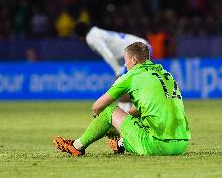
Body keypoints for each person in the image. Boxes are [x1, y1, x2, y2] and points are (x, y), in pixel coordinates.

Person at [54, 42, 191, 156]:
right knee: (145, 118)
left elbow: (97, 106)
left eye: (126, 61)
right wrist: (118, 123)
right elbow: (146, 107)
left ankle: (77, 146)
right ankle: (120, 143)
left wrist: (104, 121)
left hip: (157, 146)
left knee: (108, 111)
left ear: (134, 60)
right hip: (181, 145)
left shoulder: (132, 75)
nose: (126, 66)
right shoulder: (166, 74)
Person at [74, 22, 152, 111]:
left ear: (80, 37)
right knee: (129, 86)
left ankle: (125, 119)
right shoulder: (95, 32)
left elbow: (107, 54)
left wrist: (118, 71)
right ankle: (132, 115)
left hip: (139, 50)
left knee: (122, 87)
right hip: (143, 47)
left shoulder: (91, 38)